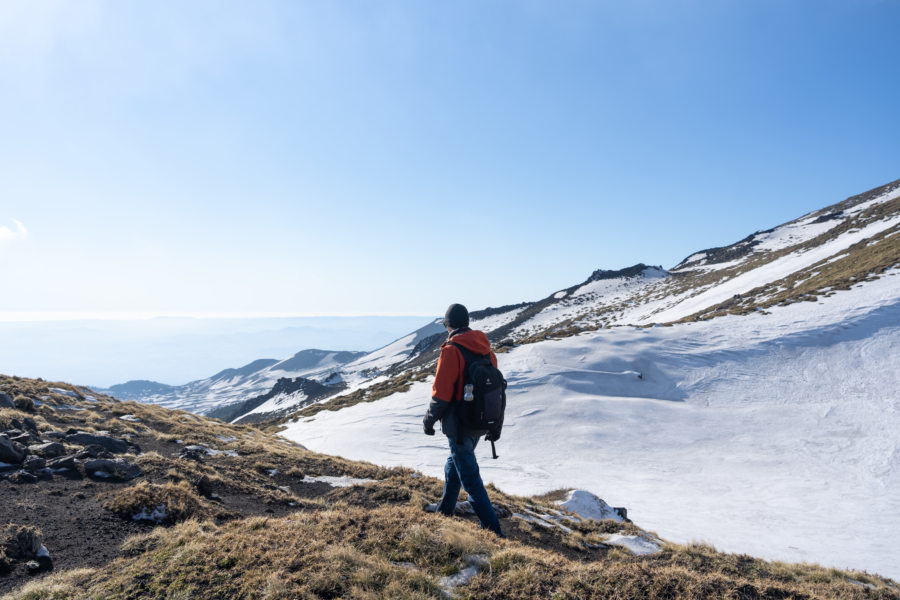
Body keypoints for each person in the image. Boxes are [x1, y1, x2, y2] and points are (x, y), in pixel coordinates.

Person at [423, 303, 504, 537]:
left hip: (458, 424)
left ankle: (493, 530)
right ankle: (444, 512)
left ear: (449, 325)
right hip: (478, 423)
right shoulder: (486, 351)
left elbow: (442, 393)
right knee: (454, 466)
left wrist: (429, 421)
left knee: (469, 478)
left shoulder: (451, 350)